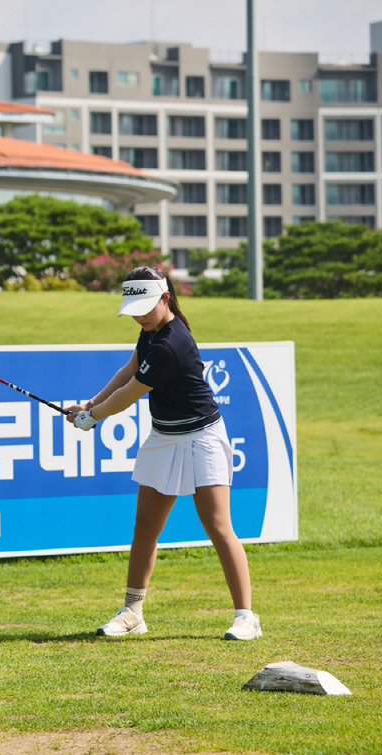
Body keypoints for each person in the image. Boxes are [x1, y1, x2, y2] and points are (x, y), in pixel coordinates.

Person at [65, 266, 261, 641]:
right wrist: (91, 402)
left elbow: (131, 393)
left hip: (202, 437)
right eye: (134, 308)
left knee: (218, 527)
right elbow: (129, 370)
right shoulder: (151, 331)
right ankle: (133, 612)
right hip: (164, 436)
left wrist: (92, 417)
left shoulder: (173, 342)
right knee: (145, 528)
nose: (139, 314)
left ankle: (246, 617)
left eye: (145, 306)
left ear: (165, 298)